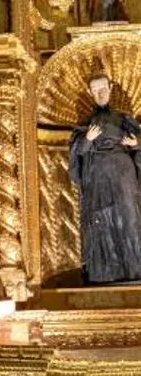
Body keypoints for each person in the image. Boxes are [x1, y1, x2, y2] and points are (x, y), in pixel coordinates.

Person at [69, 72, 141, 284]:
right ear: (90, 93)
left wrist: (135, 143)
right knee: (101, 219)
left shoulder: (123, 118)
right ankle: (104, 271)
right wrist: (87, 141)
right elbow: (76, 153)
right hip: (97, 175)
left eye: (103, 88)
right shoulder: (86, 123)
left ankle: (135, 268)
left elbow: (139, 139)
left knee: (130, 217)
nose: (101, 93)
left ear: (110, 88)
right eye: (96, 90)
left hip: (122, 174)